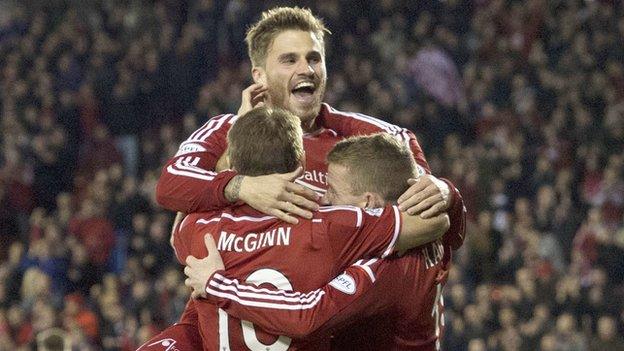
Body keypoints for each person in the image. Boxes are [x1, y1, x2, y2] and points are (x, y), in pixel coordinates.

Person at [140, 107, 450, 350]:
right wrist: (443, 191)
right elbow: (434, 222)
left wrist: (217, 282)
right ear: (300, 164)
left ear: (234, 163)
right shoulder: (331, 228)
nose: (325, 197)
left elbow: (178, 201)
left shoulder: (196, 230)